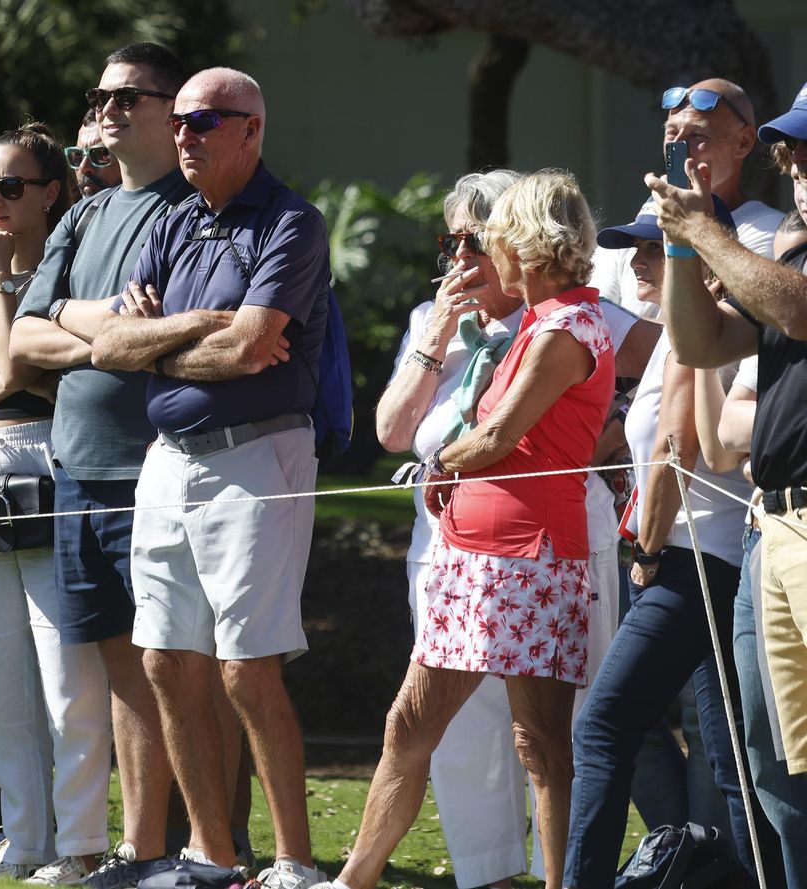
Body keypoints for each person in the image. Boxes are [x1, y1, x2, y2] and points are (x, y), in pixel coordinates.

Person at [320, 170, 614, 889]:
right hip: (473, 560)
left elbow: (497, 436)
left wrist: (441, 461)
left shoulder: (568, 326)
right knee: (407, 726)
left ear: (530, 247)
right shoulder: (548, 321)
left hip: (530, 559)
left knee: (540, 744)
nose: (477, 258)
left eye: (492, 241)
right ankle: (353, 878)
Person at [88, 67, 327, 888]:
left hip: (259, 452)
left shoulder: (292, 222)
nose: (185, 134)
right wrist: (197, 328)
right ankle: (210, 856)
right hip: (170, 457)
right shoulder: (175, 219)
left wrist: (159, 334)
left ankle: (294, 861)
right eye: (181, 120)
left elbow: (255, 347)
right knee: (163, 657)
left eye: (205, 120)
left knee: (246, 667)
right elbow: (109, 347)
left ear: (251, 130)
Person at [9, 43, 196, 886]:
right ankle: (140, 849)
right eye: (102, 96)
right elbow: (24, 338)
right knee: (121, 667)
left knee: (182, 666)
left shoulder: (192, 209)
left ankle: (190, 848)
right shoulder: (84, 215)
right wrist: (107, 327)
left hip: (155, 467)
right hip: (77, 468)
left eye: (130, 96)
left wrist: (84, 330)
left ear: (172, 106)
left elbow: (172, 338)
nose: (110, 109)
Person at [565, 199, 786, 887]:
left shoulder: (692, 335)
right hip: (706, 561)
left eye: (654, 248)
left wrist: (650, 550)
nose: (635, 260)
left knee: (600, 727)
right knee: (731, 756)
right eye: (633, 247)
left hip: (694, 561)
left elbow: (675, 447)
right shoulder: (671, 333)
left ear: (694, 256)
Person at [0, 124, 112, 883]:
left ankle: (80, 843)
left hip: (55, 463)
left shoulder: (66, 283)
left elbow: (19, 357)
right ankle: (25, 841)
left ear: (51, 193)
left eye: (11, 185)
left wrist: (6, 285)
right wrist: (7, 381)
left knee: (66, 678)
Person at [650, 87, 807, 874]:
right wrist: (682, 246)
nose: (796, 161)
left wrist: (705, 229)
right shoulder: (790, 247)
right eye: (791, 147)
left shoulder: (786, 258)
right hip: (769, 527)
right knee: (771, 763)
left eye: (804, 146)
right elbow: (702, 341)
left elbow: (797, 309)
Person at [591, 78, 782, 319]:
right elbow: (593, 323)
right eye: (671, 131)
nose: (676, 143)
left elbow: (721, 336)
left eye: (698, 135)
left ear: (743, 142)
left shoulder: (768, 231)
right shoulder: (647, 215)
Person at [70, 108, 121, 198]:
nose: (83, 167)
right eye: (78, 156)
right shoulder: (77, 211)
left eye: (100, 155)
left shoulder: (152, 209)